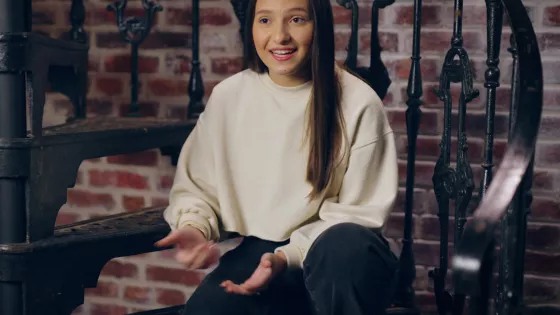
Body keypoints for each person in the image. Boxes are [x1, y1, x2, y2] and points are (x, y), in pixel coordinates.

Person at [155, 0, 399, 313]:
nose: (280, 36)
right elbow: (198, 185)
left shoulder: (358, 101)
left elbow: (359, 214)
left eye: (296, 20)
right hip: (263, 257)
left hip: (339, 260)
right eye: (265, 20)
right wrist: (194, 226)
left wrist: (288, 257)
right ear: (251, 29)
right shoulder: (230, 96)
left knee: (343, 247)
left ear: (318, 26)